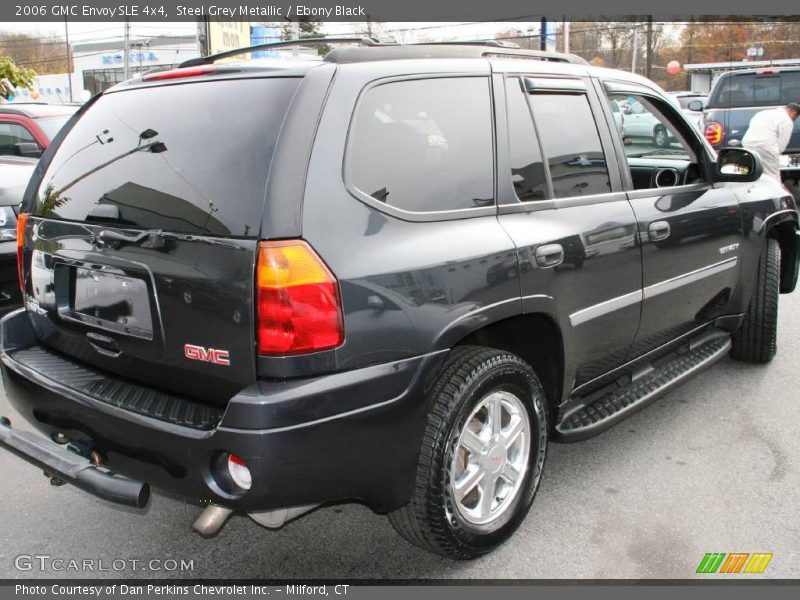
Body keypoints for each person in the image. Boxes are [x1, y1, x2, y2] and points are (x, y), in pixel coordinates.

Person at [741, 103, 800, 181]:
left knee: (752, 173)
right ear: (794, 113)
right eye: (795, 117)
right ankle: (775, 193)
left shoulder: (762, 113)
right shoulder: (786, 120)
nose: (794, 119)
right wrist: (775, 154)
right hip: (766, 146)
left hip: (748, 144)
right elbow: (782, 143)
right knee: (773, 177)